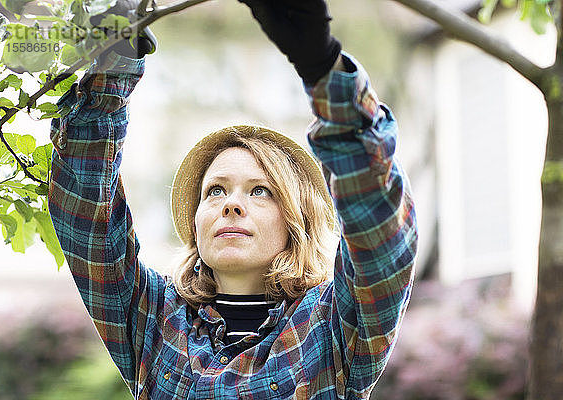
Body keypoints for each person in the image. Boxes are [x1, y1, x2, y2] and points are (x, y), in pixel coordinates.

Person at [48, 0, 418, 398]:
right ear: (196, 222)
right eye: (215, 191)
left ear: (299, 220)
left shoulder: (333, 326)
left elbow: (381, 237)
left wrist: (323, 68)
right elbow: (84, 210)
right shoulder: (152, 318)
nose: (231, 204)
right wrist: (113, 64)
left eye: (260, 190)